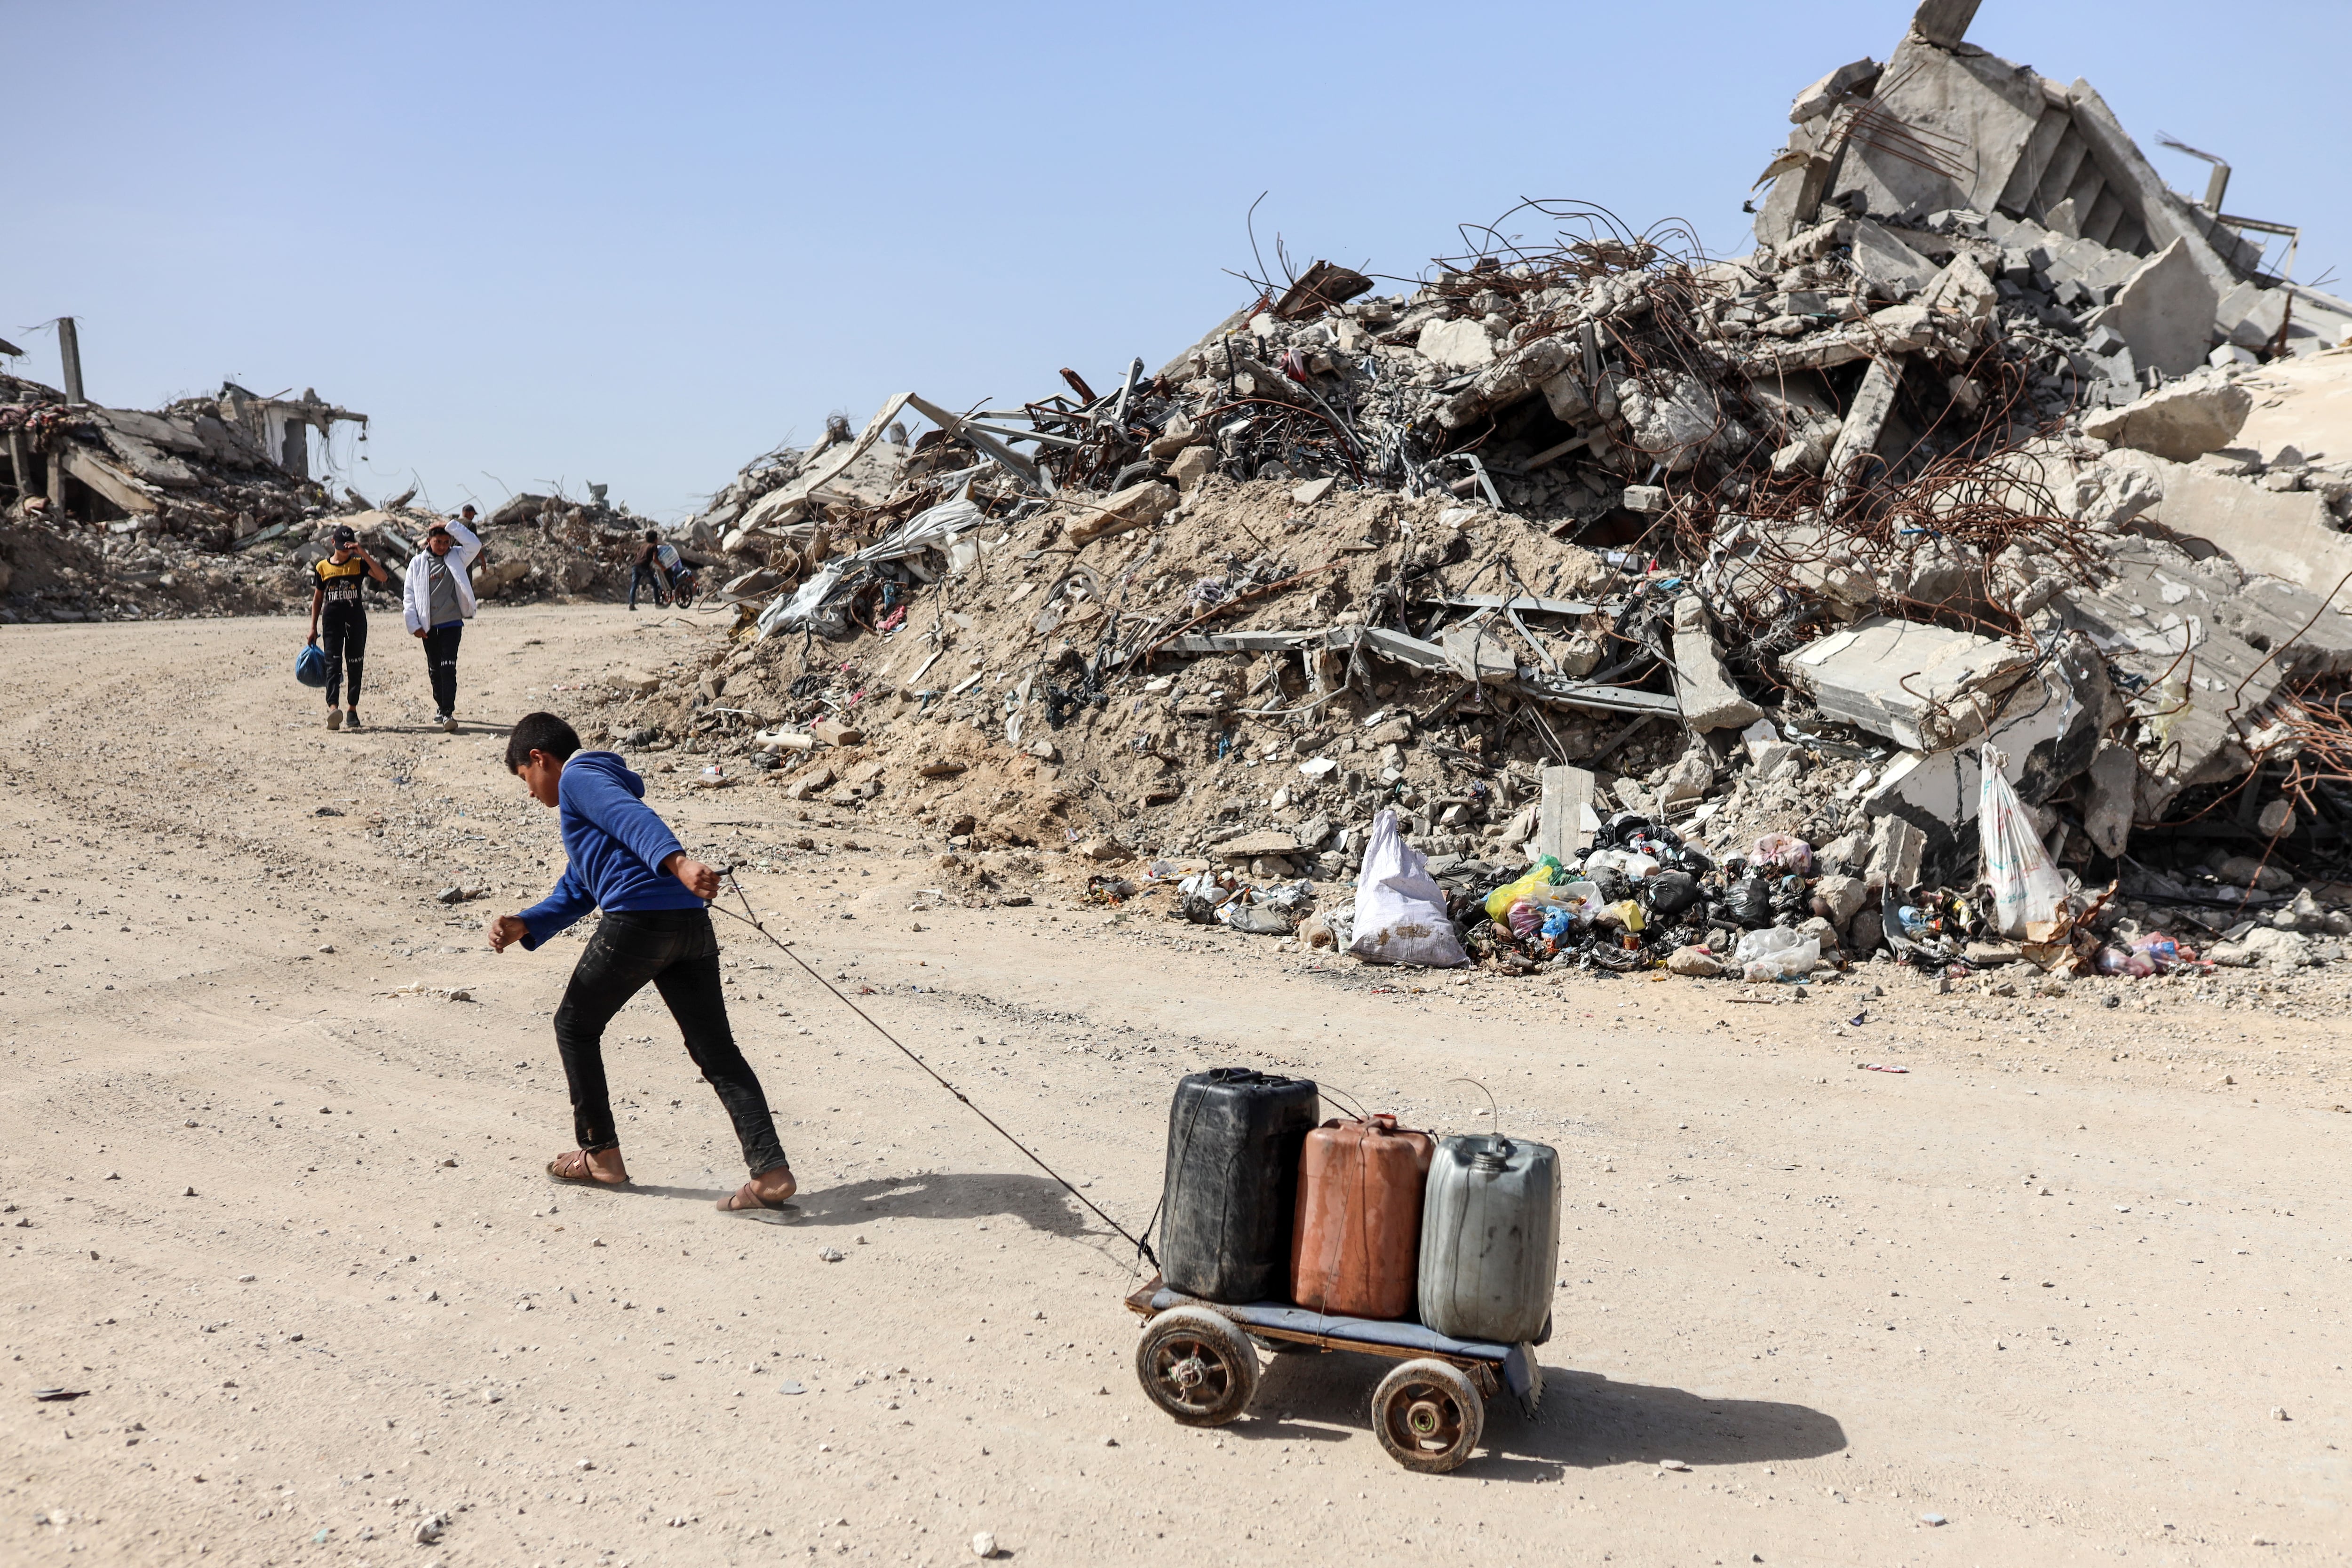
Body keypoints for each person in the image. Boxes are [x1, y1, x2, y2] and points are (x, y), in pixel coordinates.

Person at [485, 712, 797, 1213]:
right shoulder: (597, 788)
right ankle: (771, 1173)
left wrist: (679, 862)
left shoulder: (581, 778)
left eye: (526, 779)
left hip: (638, 924)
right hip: (688, 924)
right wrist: (527, 922)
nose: (530, 792)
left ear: (539, 760)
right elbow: (581, 886)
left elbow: (638, 823)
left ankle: (600, 1154)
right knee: (717, 1052)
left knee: (574, 1026)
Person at [403, 514, 483, 733]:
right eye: (438, 542)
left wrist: (450, 526)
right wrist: (414, 624)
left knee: (449, 667)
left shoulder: (457, 557)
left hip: (452, 623)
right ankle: (440, 705)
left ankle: (448, 712)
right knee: (435, 669)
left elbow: (475, 544)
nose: (442, 546)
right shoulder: (417, 564)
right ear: (429, 541)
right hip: (429, 626)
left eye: (446, 542)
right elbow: (409, 596)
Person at [305, 525, 388, 731]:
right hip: (332, 623)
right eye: (342, 547)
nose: (345, 551)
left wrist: (362, 553)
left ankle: (352, 709)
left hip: (355, 622)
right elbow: (318, 598)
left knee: (355, 665)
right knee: (332, 666)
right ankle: (333, 708)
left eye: (348, 547)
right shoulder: (322, 567)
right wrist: (313, 627)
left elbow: (383, 577)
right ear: (333, 543)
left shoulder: (359, 564)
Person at [628, 529, 666, 611]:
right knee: (655, 585)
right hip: (644, 567)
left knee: (634, 585)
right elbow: (655, 559)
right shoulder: (653, 546)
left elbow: (638, 555)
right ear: (655, 539)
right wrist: (662, 567)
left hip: (635, 566)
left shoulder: (643, 546)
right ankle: (658, 603)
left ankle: (631, 604)